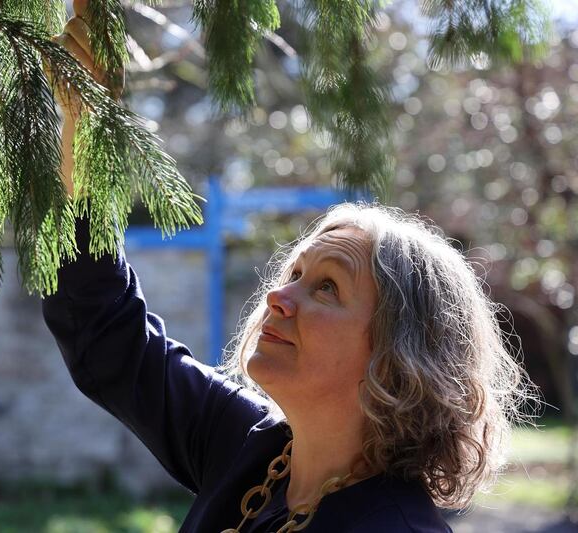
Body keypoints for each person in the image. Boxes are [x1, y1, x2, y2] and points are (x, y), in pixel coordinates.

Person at [42, 4, 536, 531]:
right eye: (294, 275)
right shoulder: (252, 448)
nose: (279, 297)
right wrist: (87, 133)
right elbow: (107, 335)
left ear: (399, 363)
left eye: (327, 288)